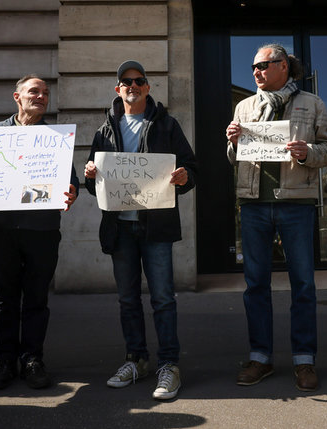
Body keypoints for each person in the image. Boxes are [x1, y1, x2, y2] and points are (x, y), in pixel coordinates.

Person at [225, 44, 327, 392]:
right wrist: (231, 142)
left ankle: (304, 361)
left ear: (284, 66)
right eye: (253, 66)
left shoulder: (312, 103)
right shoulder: (244, 106)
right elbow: (235, 158)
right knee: (255, 285)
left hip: (296, 204)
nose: (256, 72)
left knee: (303, 285)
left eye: (263, 65)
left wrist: (307, 153)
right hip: (254, 205)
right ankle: (260, 357)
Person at [85, 60, 197, 400]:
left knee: (163, 299)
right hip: (120, 230)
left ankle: (168, 365)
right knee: (127, 299)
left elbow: (191, 169)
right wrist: (90, 174)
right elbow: (93, 186)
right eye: (125, 81)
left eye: (139, 80)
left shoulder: (166, 124)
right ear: (117, 89)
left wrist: (184, 176)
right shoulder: (104, 130)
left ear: (148, 87)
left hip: (156, 229)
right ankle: (136, 359)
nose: (132, 85)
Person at [0, 76, 79, 390]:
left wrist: (72, 192)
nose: (41, 96)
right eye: (34, 91)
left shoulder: (56, 137)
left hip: (42, 231)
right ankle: (5, 360)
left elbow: (71, 181)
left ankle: (32, 359)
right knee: (5, 299)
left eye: (46, 93)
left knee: (37, 299)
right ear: (17, 97)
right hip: (3, 230)